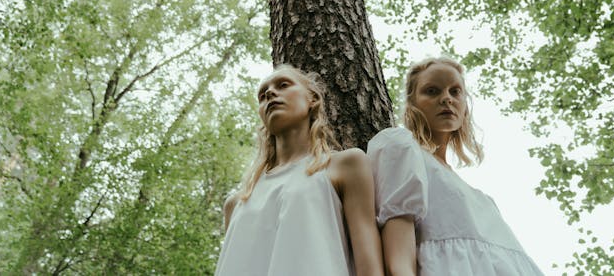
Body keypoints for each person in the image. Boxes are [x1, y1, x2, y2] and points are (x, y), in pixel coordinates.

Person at [367, 57, 544, 276]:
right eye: (432, 91)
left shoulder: (485, 200)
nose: (446, 99)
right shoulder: (401, 148)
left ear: (465, 106)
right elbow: (398, 260)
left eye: (455, 92)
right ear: (413, 104)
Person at [215, 65, 383, 276]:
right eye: (262, 95)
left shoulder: (346, 165)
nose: (269, 93)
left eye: (283, 85)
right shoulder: (236, 203)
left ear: (312, 99)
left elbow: (369, 267)